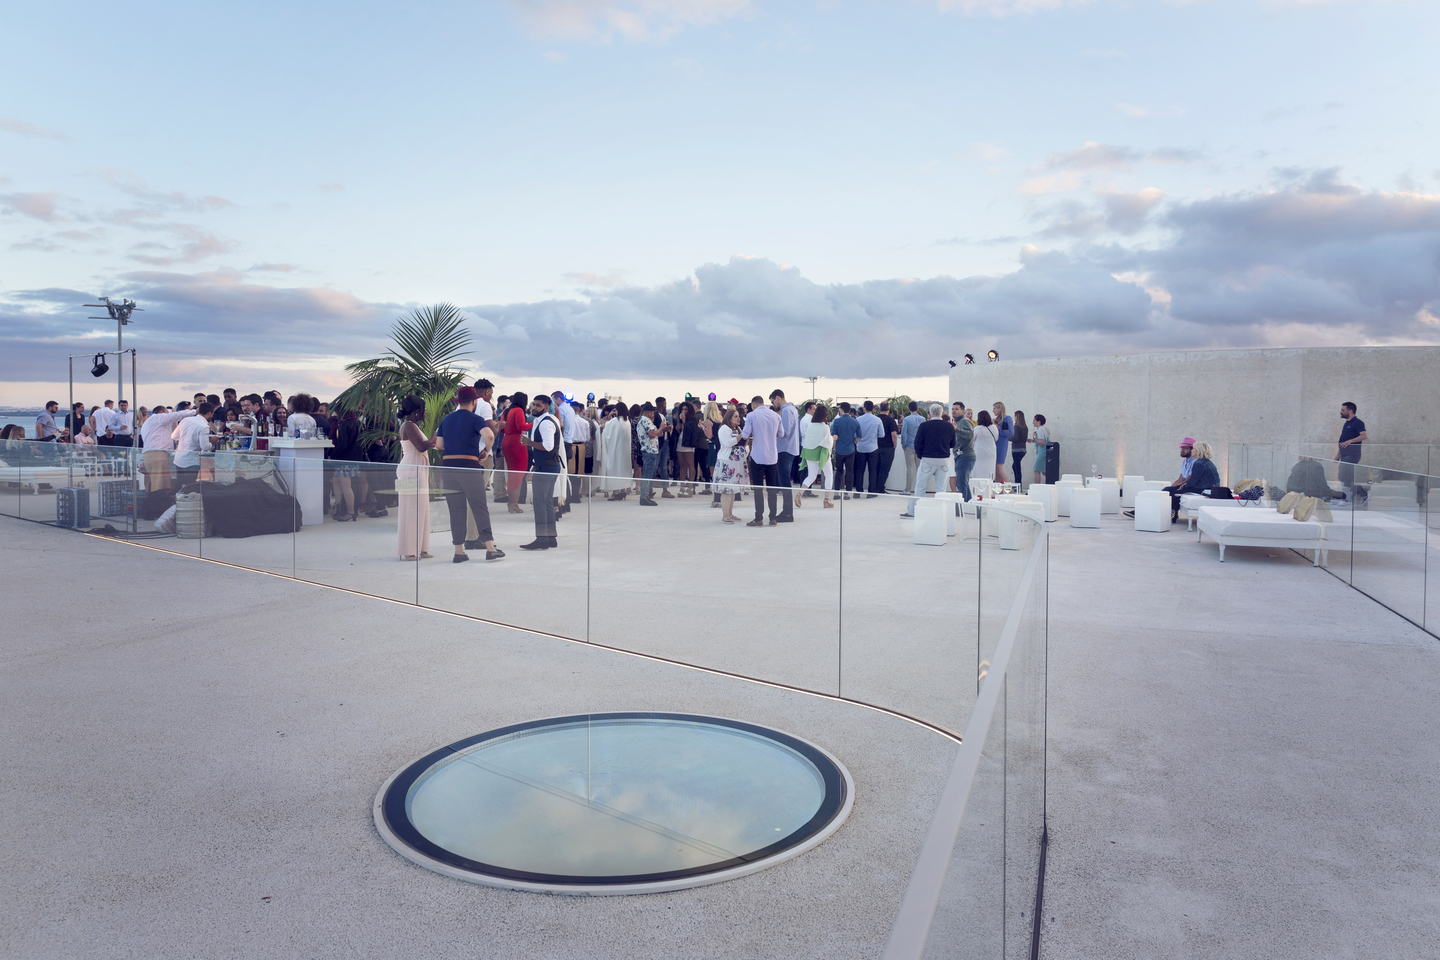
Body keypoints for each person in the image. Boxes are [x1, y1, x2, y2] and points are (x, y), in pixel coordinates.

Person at [435, 386, 504, 564]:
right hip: (469, 465)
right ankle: (490, 548)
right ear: (474, 402)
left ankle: (459, 551)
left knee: (456, 509)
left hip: (448, 467)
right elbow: (489, 435)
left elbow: (439, 445)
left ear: (458, 402)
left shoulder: (447, 419)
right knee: (479, 506)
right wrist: (485, 451)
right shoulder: (476, 418)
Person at [395, 395, 434, 561]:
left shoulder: (412, 426)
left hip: (416, 469)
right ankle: (409, 550)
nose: (425, 413)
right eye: (423, 410)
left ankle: (422, 548)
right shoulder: (409, 426)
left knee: (421, 508)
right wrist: (436, 436)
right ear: (416, 411)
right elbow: (421, 446)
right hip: (410, 470)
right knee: (410, 510)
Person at [520, 394, 562, 549]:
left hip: (547, 466)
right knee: (546, 502)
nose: (534, 407)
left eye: (538, 405)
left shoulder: (546, 423)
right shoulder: (545, 420)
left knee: (540, 502)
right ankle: (550, 538)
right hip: (547, 465)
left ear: (546, 407)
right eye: (533, 404)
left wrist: (529, 442)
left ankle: (542, 539)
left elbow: (548, 446)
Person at [903, 404, 956, 517]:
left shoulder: (924, 425)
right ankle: (941, 513)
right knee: (941, 489)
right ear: (941, 413)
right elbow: (953, 444)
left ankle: (915, 512)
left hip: (928, 459)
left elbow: (917, 443)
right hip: (944, 461)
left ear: (930, 413)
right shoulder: (949, 426)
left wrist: (921, 455)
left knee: (920, 487)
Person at [742, 395, 782, 526]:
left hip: (758, 456)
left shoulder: (751, 416)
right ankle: (772, 518)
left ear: (753, 405)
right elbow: (781, 434)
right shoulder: (775, 415)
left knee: (758, 489)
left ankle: (758, 517)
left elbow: (745, 434)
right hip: (772, 456)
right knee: (772, 489)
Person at [140, 404, 198, 491]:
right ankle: (155, 504)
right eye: (167, 413)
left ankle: (152, 503)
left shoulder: (149, 422)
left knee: (152, 484)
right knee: (160, 485)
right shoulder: (158, 417)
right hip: (157, 454)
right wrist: (195, 411)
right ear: (161, 412)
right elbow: (177, 415)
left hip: (149, 455)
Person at [1165, 440, 1220, 516]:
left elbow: (1192, 481)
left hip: (1204, 489)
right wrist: (1183, 486)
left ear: (1198, 451)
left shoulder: (1199, 463)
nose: (1192, 451)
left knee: (1175, 492)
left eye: (1193, 449)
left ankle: (1173, 514)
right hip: (1207, 487)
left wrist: (1183, 487)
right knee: (1174, 489)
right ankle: (1173, 513)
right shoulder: (1206, 462)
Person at [713, 406, 749, 523]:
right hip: (726, 462)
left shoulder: (737, 428)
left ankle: (730, 513)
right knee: (726, 489)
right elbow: (728, 443)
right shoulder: (724, 428)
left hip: (736, 462)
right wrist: (742, 435)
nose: (738, 418)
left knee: (733, 489)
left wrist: (745, 437)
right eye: (736, 416)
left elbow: (743, 443)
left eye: (739, 416)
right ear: (729, 418)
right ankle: (725, 515)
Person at [797, 404, 835, 508]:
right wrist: (834, 438)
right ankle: (827, 500)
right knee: (829, 475)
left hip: (809, 452)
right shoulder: (825, 427)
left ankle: (800, 493)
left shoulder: (810, 425)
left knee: (811, 476)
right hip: (821, 452)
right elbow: (827, 442)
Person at [330, 408, 365, 521]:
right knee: (337, 480)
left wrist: (333, 456)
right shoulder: (358, 423)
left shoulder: (344, 424)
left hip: (344, 459)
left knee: (345, 485)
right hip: (355, 458)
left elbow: (342, 444)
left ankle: (350, 512)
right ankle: (338, 506)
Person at [770, 390, 799, 519]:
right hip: (789, 448)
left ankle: (787, 513)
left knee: (785, 482)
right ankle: (787, 512)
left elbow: (784, 432)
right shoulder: (792, 409)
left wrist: (770, 431)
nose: (773, 404)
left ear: (778, 398)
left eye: (772, 401)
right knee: (785, 481)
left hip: (784, 449)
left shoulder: (786, 411)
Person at [502, 391, 531, 513]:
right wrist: (535, 423)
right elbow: (521, 427)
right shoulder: (519, 410)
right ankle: (514, 504)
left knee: (512, 473)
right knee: (519, 474)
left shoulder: (507, 411)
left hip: (507, 441)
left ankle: (511, 503)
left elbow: (502, 429)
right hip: (516, 442)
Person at [172, 403, 215, 486]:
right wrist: (213, 441)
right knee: (189, 487)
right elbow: (205, 447)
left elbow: (174, 436)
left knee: (179, 485)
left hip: (179, 458)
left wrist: (185, 439)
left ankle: (176, 499)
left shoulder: (185, 420)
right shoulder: (204, 426)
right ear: (209, 413)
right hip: (191, 461)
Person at [1337, 401, 1368, 503]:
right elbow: (1343, 441)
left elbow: (1364, 436)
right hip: (1345, 455)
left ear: (1350, 411)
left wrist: (1351, 441)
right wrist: (1338, 455)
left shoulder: (1357, 423)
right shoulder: (1347, 424)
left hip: (1352, 455)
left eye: (1343, 410)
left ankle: (1362, 494)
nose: (1340, 412)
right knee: (1344, 477)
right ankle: (1348, 498)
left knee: (1345, 477)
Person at [829, 402, 860, 499]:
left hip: (839, 449)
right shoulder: (855, 421)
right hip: (850, 449)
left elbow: (834, 436)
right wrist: (853, 439)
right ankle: (847, 493)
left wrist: (834, 447)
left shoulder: (837, 422)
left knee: (839, 471)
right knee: (850, 471)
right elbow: (860, 437)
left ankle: (836, 493)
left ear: (841, 409)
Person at [1162, 438, 1197, 523]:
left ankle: (1173, 512)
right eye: (1181, 448)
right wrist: (1170, 487)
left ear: (1192, 450)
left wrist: (1173, 488)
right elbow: (1180, 478)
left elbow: (1187, 480)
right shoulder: (1185, 460)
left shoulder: (1195, 462)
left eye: (1185, 448)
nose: (1182, 450)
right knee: (1165, 490)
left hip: (1190, 485)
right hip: (1184, 483)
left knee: (1170, 491)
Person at [854, 400, 882, 498]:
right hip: (873, 448)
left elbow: (854, 435)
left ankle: (858, 491)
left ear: (864, 408)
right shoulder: (877, 420)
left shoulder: (858, 420)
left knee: (860, 470)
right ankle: (871, 492)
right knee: (872, 470)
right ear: (873, 408)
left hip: (860, 448)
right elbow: (882, 435)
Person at [950, 401, 976, 500]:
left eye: (956, 409)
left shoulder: (965, 421)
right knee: (962, 483)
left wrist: (957, 430)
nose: (954, 411)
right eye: (952, 409)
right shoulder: (957, 422)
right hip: (960, 456)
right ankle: (968, 505)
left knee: (961, 483)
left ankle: (965, 505)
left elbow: (970, 435)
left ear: (962, 411)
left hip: (965, 456)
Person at [901, 400, 925, 493]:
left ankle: (908, 489)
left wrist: (903, 445)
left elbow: (903, 434)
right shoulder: (923, 419)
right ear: (917, 409)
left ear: (909, 409)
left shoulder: (906, 419)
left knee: (910, 469)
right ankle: (920, 489)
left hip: (909, 445)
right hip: (920, 447)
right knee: (920, 469)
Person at [972, 410, 999, 494]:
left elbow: (972, 439)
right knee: (989, 473)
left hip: (980, 454)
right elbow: (996, 438)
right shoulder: (994, 427)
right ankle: (989, 492)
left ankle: (979, 491)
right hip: (991, 453)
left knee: (978, 472)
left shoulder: (978, 428)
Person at [876, 401, 899, 496]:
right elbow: (894, 434)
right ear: (888, 409)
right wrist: (895, 445)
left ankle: (874, 487)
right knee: (885, 469)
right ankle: (880, 488)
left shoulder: (876, 419)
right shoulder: (891, 420)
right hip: (888, 447)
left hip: (876, 447)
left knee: (876, 468)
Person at [992, 402, 1012, 483]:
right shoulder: (997, 420)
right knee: (996, 471)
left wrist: (998, 428)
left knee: (999, 469)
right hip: (994, 445)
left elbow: (1011, 433)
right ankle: (999, 491)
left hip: (1001, 445)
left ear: (999, 409)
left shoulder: (1008, 418)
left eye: (994, 409)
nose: (993, 411)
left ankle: (1010, 490)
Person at [1010, 410, 1028, 490]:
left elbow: (1015, 438)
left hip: (1016, 449)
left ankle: (1018, 485)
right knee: (1015, 466)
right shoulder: (1025, 427)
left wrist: (1007, 437)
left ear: (1017, 417)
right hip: (1023, 449)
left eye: (1015, 416)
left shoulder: (1016, 427)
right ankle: (1018, 484)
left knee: (1017, 467)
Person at [1030, 414, 1050, 486]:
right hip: (1045, 452)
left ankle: (1037, 486)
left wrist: (1034, 438)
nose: (1033, 422)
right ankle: (1051, 483)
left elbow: (1041, 443)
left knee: (1037, 470)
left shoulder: (1040, 430)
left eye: (1034, 420)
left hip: (1042, 452)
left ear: (1039, 422)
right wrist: (1033, 440)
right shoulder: (1044, 429)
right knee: (1044, 471)